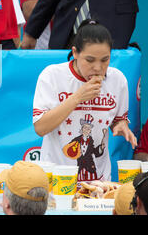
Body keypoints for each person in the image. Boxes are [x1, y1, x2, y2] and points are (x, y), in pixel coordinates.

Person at [32, 20, 137, 182]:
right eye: (90, 60)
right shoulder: (52, 75)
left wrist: (121, 124)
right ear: (75, 53)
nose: (97, 67)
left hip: (99, 181)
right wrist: (77, 97)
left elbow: (117, 120)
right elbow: (40, 127)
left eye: (105, 60)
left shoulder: (117, 80)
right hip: (56, 180)